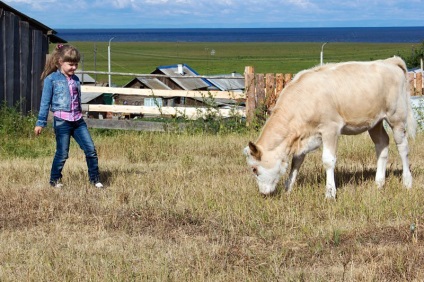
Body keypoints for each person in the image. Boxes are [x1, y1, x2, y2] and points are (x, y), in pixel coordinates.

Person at [34, 44, 103, 189]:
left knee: (91, 149)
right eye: (70, 64)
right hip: (62, 122)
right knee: (62, 153)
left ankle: (95, 180)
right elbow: (45, 102)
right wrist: (40, 122)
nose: (74, 68)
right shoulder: (51, 79)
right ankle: (54, 181)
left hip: (78, 121)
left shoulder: (76, 79)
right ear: (60, 62)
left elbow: (76, 100)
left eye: (76, 64)